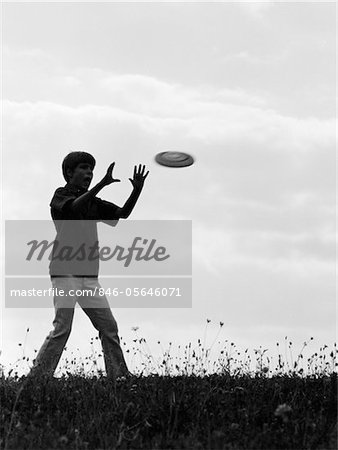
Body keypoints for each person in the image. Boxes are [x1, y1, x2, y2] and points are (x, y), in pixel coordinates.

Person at [30, 151, 149, 379]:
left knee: (109, 328)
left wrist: (137, 190)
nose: (89, 173)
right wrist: (102, 184)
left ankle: (119, 377)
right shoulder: (61, 195)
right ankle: (37, 379)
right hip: (65, 272)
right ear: (69, 173)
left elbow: (122, 214)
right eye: (84, 168)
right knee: (62, 328)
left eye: (91, 169)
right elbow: (73, 208)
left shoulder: (93, 202)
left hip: (89, 276)